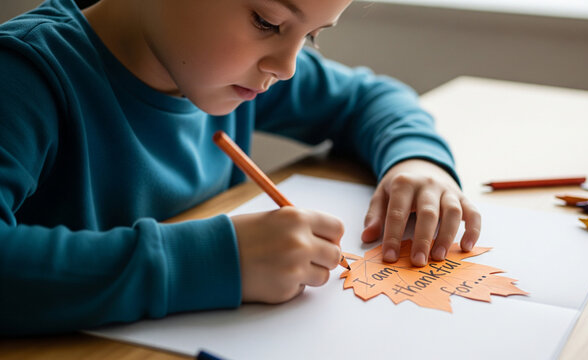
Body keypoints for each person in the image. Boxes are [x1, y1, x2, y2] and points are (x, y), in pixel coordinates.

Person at [0, 0, 481, 335]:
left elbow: (371, 97)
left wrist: (417, 159)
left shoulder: (227, 70)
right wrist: (213, 262)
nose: (288, 67)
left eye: (310, 36)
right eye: (268, 21)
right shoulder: (23, 76)